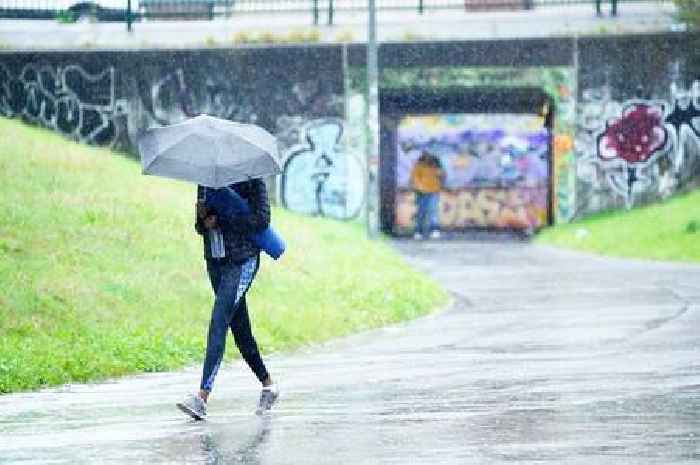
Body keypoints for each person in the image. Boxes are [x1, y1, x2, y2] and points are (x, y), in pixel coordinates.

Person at [176, 178, 279, 420]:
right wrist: (203, 219)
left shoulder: (252, 178)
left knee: (219, 321)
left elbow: (261, 219)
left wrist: (223, 219)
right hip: (215, 262)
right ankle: (269, 385)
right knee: (239, 328)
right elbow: (200, 227)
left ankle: (201, 397)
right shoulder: (205, 180)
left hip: (242, 261)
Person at [410, 151, 444, 240]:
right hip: (422, 192)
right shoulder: (419, 165)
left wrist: (440, 174)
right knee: (422, 212)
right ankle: (418, 231)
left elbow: (442, 176)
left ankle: (434, 230)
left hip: (433, 191)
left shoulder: (436, 165)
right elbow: (414, 178)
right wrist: (419, 187)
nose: (428, 158)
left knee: (432, 211)